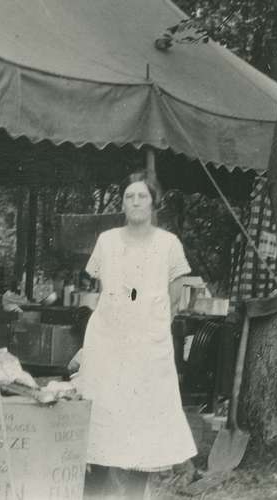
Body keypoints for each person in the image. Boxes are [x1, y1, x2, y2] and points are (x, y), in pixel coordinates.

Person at [76, 171, 196, 498]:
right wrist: (129, 303)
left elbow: (175, 289)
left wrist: (154, 317)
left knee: (141, 414)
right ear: (123, 203)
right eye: (129, 196)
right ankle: (96, 487)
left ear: (154, 202)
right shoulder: (108, 240)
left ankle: (133, 492)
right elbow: (111, 289)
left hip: (148, 343)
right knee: (105, 408)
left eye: (142, 196)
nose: (136, 202)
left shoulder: (167, 244)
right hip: (109, 340)